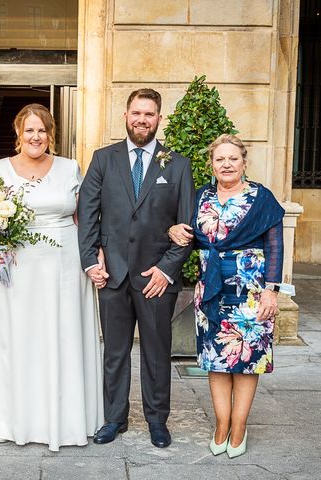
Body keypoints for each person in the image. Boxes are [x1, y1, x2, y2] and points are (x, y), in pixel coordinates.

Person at [0, 103, 103, 452]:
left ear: (50, 134)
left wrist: (94, 255)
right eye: (29, 130)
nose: (35, 137)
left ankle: (64, 418)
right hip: (10, 268)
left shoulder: (71, 168)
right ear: (18, 133)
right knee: (15, 338)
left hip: (62, 269)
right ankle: (10, 418)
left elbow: (84, 219)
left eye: (42, 130)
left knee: (59, 336)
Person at [77, 88, 195, 448]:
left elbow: (187, 226)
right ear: (125, 116)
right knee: (114, 352)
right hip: (112, 274)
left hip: (156, 278)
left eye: (149, 114)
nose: (142, 120)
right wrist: (89, 261)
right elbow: (87, 215)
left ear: (159, 119)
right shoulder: (102, 159)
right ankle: (114, 418)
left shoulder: (177, 163)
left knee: (157, 352)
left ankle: (157, 420)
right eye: (136, 113)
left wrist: (167, 270)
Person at [168, 134, 284, 458]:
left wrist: (271, 293)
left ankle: (239, 426)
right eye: (220, 159)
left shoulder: (262, 198)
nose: (227, 164)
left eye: (233, 158)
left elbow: (275, 246)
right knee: (217, 361)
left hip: (252, 292)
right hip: (213, 291)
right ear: (212, 164)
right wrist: (172, 230)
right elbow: (184, 231)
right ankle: (221, 424)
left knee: (247, 361)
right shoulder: (201, 196)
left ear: (244, 162)